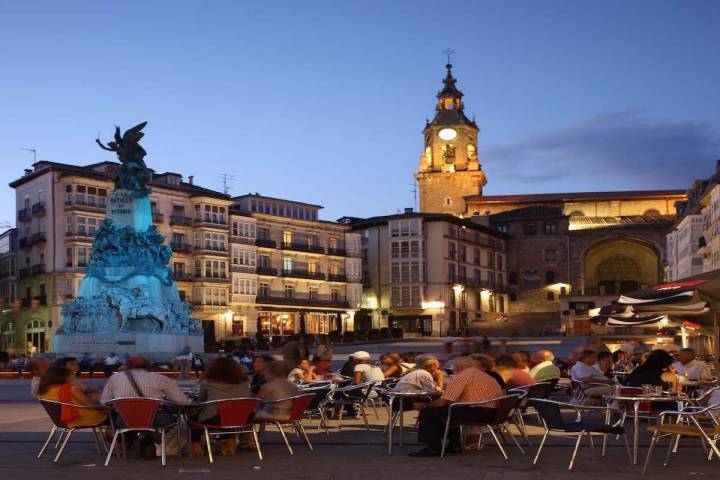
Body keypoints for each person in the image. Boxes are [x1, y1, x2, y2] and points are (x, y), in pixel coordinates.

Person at [409, 356, 503, 457]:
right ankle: (454, 445)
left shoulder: (462, 377)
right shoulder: (483, 375)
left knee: (428, 411)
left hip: (480, 413)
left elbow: (443, 402)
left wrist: (424, 405)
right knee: (450, 410)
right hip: (493, 413)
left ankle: (433, 448)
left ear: (457, 367)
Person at [100, 356, 189, 459]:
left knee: (120, 416)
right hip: (154, 420)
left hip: (124, 420)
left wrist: (121, 403)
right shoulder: (159, 379)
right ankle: (148, 441)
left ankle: (128, 442)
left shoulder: (115, 378)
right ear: (148, 365)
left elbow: (105, 402)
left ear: (127, 365)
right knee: (168, 418)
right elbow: (182, 401)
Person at [190, 357, 251, 457]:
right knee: (228, 412)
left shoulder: (207, 383)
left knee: (193, 416)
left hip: (214, 419)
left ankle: (196, 445)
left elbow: (200, 401)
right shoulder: (245, 383)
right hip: (242, 419)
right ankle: (230, 440)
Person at [37, 366, 108, 428]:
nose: (75, 375)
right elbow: (90, 404)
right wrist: (106, 406)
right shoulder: (70, 388)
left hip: (63, 421)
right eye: (72, 374)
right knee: (114, 414)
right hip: (85, 419)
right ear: (65, 377)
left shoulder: (45, 391)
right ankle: (114, 439)